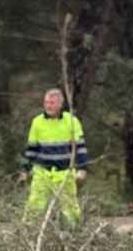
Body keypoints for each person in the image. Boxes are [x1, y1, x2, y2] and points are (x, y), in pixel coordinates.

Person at [20, 89, 87, 226]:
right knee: (34, 207)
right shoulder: (37, 122)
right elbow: (31, 149)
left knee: (71, 209)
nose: (48, 106)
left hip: (64, 172)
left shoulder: (71, 121)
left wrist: (82, 168)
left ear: (60, 104)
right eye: (46, 102)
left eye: (52, 103)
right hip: (42, 172)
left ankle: (76, 234)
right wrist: (25, 170)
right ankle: (28, 234)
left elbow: (81, 147)